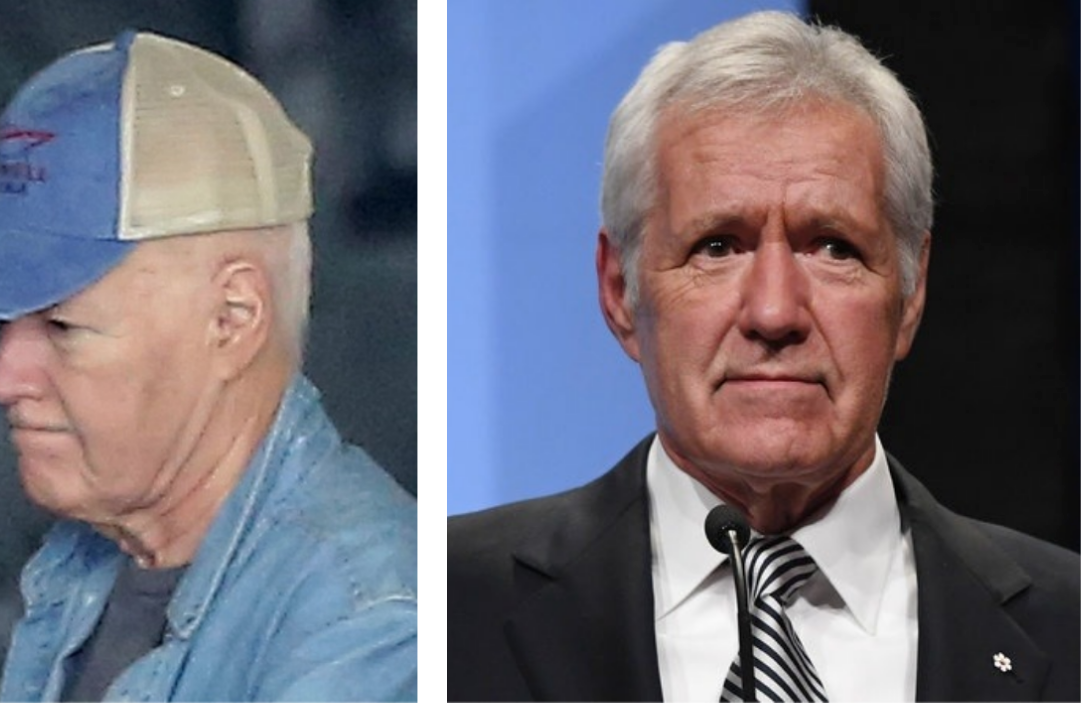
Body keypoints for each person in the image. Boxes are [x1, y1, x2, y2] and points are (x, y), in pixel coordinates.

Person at [448, 11, 1078, 703]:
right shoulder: (445, 610)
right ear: (620, 290)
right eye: (717, 246)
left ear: (910, 290)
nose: (774, 313)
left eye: (832, 246)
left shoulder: (1066, 626)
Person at [0, 30, 416, 702]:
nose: (0, 379)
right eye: (3, 327)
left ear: (233, 318)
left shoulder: (369, 628)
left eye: (61, 326)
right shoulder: (89, 565)